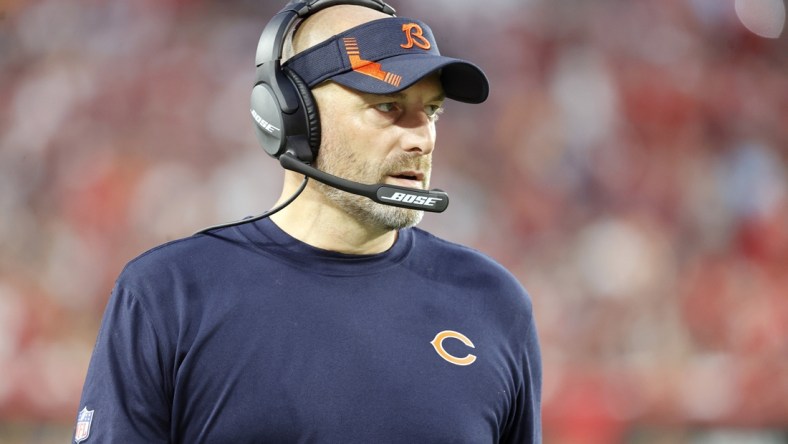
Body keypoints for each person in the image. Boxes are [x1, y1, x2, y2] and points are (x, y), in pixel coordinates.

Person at [74, 1, 542, 443]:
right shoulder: (170, 294)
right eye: (388, 106)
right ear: (293, 115)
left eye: (432, 110)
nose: (422, 138)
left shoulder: (493, 303)